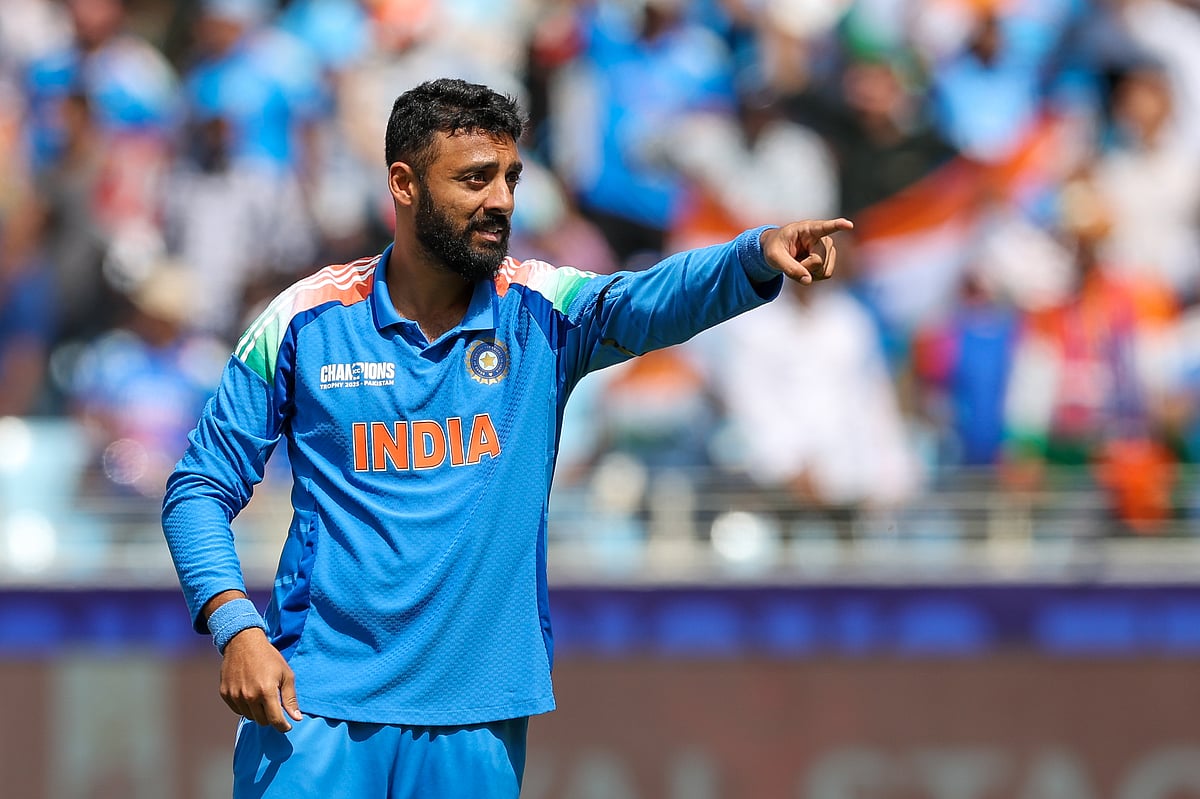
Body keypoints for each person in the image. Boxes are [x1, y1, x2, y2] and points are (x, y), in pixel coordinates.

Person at [160, 77, 852, 798]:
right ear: (404, 184)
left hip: (477, 712)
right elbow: (199, 486)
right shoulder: (303, 320)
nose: (502, 200)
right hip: (315, 701)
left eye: (510, 178)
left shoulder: (541, 310)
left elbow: (647, 299)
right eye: (474, 178)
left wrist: (752, 255)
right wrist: (236, 625)